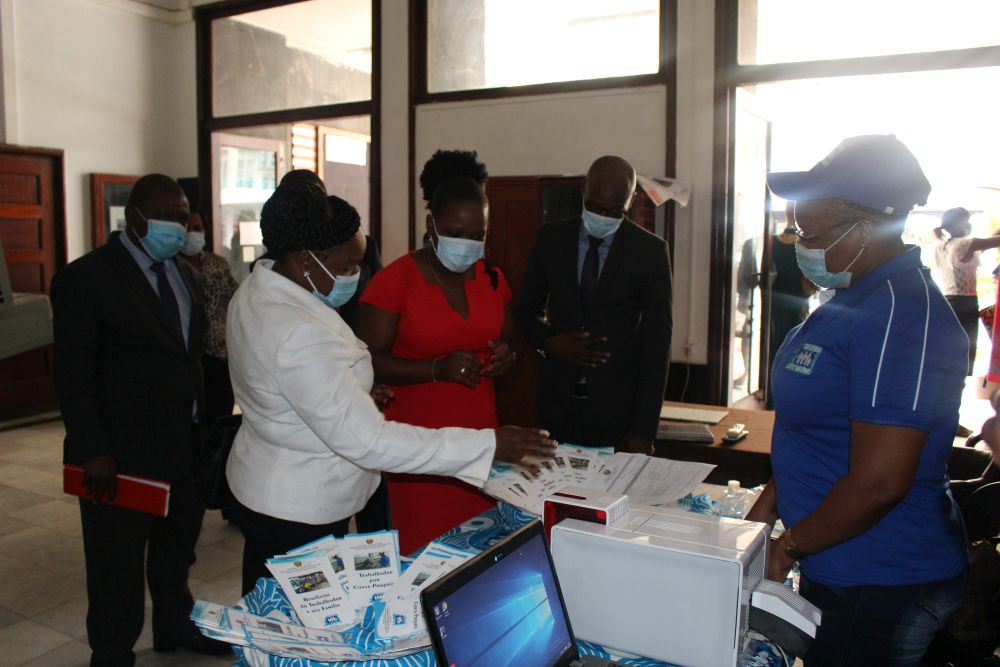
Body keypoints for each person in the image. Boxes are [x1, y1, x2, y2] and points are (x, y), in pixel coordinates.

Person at [224, 180, 554, 594]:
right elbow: (369, 441)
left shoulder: (258, 289)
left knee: (272, 605)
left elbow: (291, 387)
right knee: (297, 619)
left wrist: (354, 391)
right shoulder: (298, 330)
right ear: (307, 260)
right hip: (298, 506)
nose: (357, 275)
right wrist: (486, 446)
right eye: (348, 266)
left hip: (267, 484)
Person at [745, 135, 968, 666]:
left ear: (865, 231)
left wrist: (788, 548)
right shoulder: (851, 298)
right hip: (835, 557)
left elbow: (878, 483)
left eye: (810, 234)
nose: (800, 245)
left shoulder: (900, 316)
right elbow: (814, 432)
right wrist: (763, 515)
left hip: (881, 578)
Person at [51, 174, 229, 665]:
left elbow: (189, 358)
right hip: (119, 455)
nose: (178, 226)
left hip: (182, 446)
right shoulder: (86, 278)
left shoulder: (185, 274)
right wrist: (93, 450)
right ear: (134, 218)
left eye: (183, 216)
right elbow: (73, 376)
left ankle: (174, 626)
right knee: (116, 565)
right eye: (167, 216)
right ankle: (112, 652)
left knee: (177, 552)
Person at [356, 149, 519, 553]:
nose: (467, 244)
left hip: (481, 441)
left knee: (480, 552)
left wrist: (508, 356)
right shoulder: (394, 282)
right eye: (455, 232)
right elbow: (365, 362)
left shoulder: (492, 279)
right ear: (431, 226)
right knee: (426, 555)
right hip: (419, 446)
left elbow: (511, 341)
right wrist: (435, 369)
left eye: (477, 236)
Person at [516, 155, 672, 453]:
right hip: (556, 404)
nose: (602, 216)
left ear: (630, 202)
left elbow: (657, 343)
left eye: (614, 211)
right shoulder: (551, 239)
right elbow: (526, 312)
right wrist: (548, 344)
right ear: (584, 190)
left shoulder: (650, 252)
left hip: (618, 410)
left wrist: (644, 430)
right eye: (595, 206)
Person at [178, 210, 239, 427]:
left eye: (197, 228)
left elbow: (233, 300)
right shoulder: (171, 267)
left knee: (219, 418)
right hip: (186, 358)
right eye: (187, 228)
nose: (192, 233)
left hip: (218, 355)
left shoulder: (217, 265)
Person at [934, 206, 1000, 374]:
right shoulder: (965, 244)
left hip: (948, 302)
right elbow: (994, 241)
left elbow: (988, 242)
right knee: (966, 352)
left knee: (952, 351)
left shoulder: (942, 246)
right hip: (965, 303)